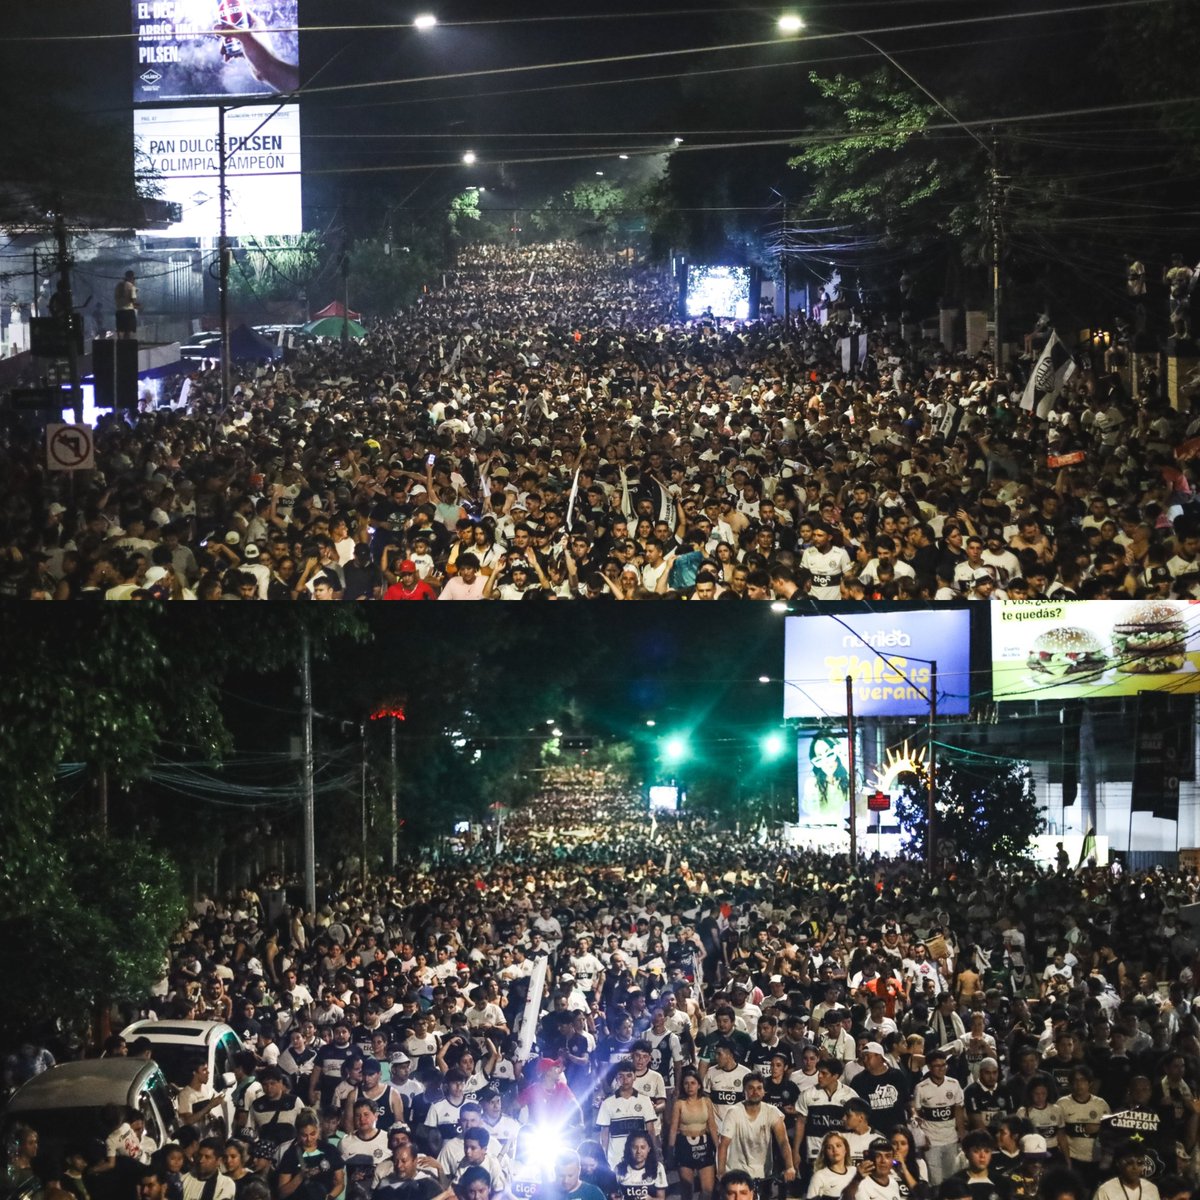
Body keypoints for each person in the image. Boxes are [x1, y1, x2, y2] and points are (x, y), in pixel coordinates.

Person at [715, 1073, 795, 1189]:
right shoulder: (733, 1112)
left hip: (763, 1174)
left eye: (759, 1088)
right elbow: (723, 1144)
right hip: (737, 1173)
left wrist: (790, 1166)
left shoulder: (772, 1112)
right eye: (751, 1088)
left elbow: (783, 1141)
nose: (755, 1092)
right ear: (744, 1091)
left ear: (764, 1092)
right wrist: (721, 1173)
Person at [670, 1066, 720, 1200]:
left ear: (699, 1085)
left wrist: (718, 1148)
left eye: (693, 1083)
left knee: (707, 1191)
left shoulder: (706, 1101)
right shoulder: (679, 1103)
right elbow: (673, 1128)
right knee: (687, 1191)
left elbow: (712, 1126)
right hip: (684, 1145)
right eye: (686, 1083)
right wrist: (670, 1150)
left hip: (704, 1144)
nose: (689, 1086)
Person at [114, 270, 139, 339]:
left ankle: (120, 343)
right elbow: (133, 300)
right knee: (128, 331)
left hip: (119, 311)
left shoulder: (118, 285)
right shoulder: (131, 286)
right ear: (132, 277)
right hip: (128, 311)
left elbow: (116, 297)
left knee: (120, 331)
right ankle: (127, 343)